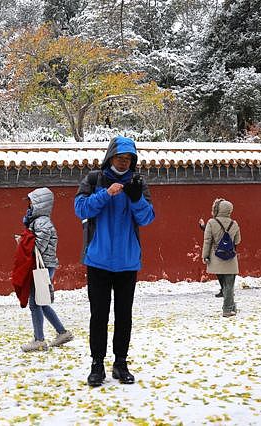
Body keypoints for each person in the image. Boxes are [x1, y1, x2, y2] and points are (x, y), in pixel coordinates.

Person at [74, 135, 155, 387]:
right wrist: (106, 194)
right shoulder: (93, 179)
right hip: (98, 260)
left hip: (127, 261)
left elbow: (147, 218)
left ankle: (121, 363)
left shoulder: (138, 183)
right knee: (98, 315)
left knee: (124, 315)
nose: (124, 163)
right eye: (120, 158)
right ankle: (97, 365)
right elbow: (80, 209)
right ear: (110, 157)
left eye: (129, 159)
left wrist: (136, 199)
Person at [20, 187, 73, 352]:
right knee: (40, 301)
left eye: (30, 201)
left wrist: (23, 243)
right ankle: (62, 332)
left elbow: (39, 246)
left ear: (38, 203)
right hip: (43, 264)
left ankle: (39, 340)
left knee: (36, 302)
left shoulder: (41, 222)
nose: (27, 205)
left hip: (42, 265)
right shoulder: (38, 221)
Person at [201, 199, 241, 317]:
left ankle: (229, 307)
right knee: (229, 284)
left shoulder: (211, 222)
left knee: (224, 284)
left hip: (216, 257)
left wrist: (205, 256)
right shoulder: (234, 224)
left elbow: (207, 241)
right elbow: (238, 240)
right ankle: (229, 308)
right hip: (230, 257)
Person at [199, 218, 224, 297]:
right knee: (224, 272)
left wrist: (203, 226)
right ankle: (225, 290)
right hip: (227, 249)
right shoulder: (229, 222)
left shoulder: (216, 222)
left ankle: (225, 290)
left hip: (218, 250)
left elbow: (211, 232)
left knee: (220, 272)